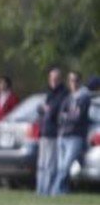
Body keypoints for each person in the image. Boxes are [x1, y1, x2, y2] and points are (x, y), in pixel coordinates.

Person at [52, 71, 92, 195]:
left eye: (75, 80)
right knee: (60, 167)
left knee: (65, 166)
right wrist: (69, 115)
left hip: (75, 137)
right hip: (63, 136)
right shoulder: (68, 98)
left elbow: (78, 117)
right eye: (71, 80)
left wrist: (67, 116)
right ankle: (62, 191)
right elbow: (59, 116)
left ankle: (55, 192)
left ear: (80, 81)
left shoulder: (84, 97)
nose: (73, 83)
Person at [36, 68, 66, 197]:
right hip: (44, 132)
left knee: (50, 164)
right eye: (51, 79)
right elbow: (40, 108)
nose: (53, 81)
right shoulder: (49, 93)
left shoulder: (63, 94)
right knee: (41, 164)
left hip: (54, 133)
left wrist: (48, 109)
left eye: (56, 79)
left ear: (60, 80)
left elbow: (56, 111)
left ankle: (48, 190)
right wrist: (44, 109)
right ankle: (40, 190)